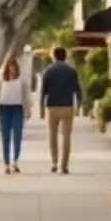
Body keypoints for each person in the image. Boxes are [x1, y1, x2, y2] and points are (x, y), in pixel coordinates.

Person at [39, 46, 82, 174]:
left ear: (54, 56)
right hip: (68, 106)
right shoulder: (71, 71)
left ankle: (54, 162)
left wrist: (41, 108)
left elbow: (43, 92)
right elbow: (77, 89)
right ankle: (64, 165)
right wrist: (79, 105)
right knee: (66, 136)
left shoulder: (48, 71)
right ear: (65, 56)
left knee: (52, 135)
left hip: (52, 106)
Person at [0, 53, 29, 174]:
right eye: (10, 66)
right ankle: (6, 163)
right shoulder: (1, 80)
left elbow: (26, 96)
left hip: (17, 108)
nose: (12, 69)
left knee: (17, 135)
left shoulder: (21, 79)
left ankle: (15, 161)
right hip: (4, 109)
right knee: (5, 137)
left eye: (14, 66)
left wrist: (28, 110)